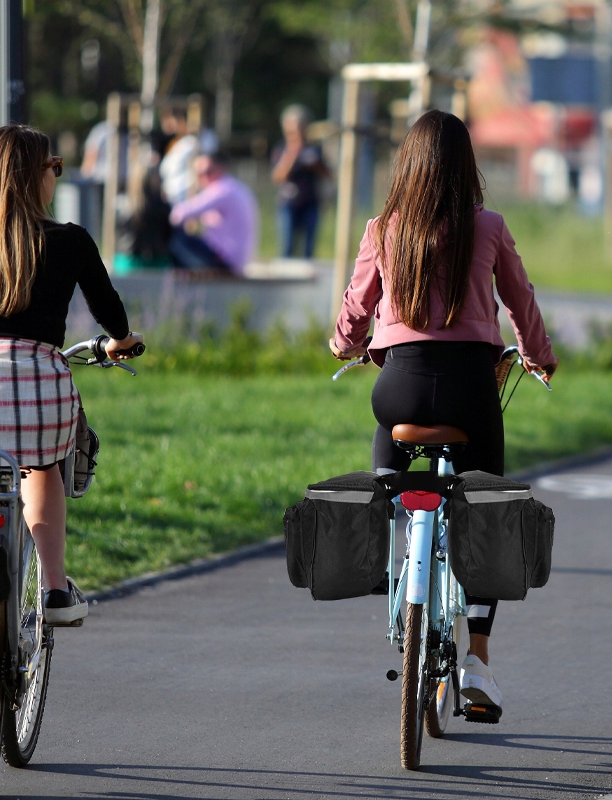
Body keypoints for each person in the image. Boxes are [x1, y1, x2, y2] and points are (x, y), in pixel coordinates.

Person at [0, 124, 143, 736]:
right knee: (44, 466)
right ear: (38, 174)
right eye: (54, 167)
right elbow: (111, 313)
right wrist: (121, 343)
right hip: (42, 388)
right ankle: (57, 591)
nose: (56, 176)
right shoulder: (69, 240)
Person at [329, 110, 558, 712]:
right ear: (466, 165)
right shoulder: (489, 226)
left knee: (388, 461)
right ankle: (477, 659)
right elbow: (521, 301)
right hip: (470, 392)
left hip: (398, 390)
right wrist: (539, 356)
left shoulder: (384, 229)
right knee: (487, 511)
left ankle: (389, 540)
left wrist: (345, 345)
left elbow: (355, 307)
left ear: (407, 164)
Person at [168, 151, 258, 277]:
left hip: (227, 261)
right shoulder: (234, 187)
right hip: (236, 261)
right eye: (199, 174)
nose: (204, 177)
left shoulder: (222, 190)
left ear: (221, 168)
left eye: (208, 172)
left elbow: (180, 214)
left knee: (176, 240)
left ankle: (171, 281)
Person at [271, 104, 328, 259]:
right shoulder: (281, 149)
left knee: (308, 248)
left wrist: (315, 165)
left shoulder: (314, 149)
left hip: (310, 202)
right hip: (288, 203)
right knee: (287, 246)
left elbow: (327, 174)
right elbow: (278, 177)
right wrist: (292, 153)